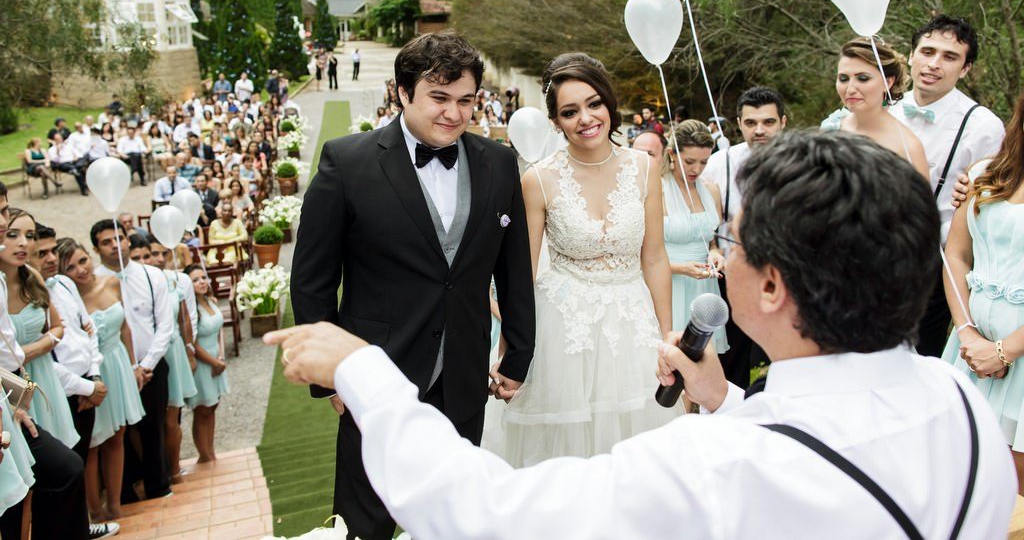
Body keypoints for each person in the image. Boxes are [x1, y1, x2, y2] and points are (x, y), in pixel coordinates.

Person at [267, 130, 1017, 540]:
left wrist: (366, 371)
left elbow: (485, 513)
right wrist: (726, 402)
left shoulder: (710, 468)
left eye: (735, 243)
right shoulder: (957, 400)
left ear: (770, 285)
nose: (720, 256)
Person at [291, 31, 535, 540]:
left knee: (457, 516)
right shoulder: (347, 162)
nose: (454, 113)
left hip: (465, 377)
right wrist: (333, 376)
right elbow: (312, 282)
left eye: (466, 100)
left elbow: (513, 272)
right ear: (403, 93)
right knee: (365, 523)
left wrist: (517, 357)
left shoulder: (498, 163)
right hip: (374, 376)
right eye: (439, 98)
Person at [493, 52, 677, 467]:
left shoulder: (644, 169)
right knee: (565, 456)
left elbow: (655, 258)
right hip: (563, 332)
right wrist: (509, 354)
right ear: (556, 122)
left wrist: (668, 338)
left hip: (633, 325)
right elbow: (520, 276)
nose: (586, 118)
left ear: (609, 103)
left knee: (640, 452)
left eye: (594, 104)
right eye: (570, 111)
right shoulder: (537, 180)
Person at [890, 15, 1005, 357]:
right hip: (870, 256)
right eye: (927, 51)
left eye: (949, 57)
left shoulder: (983, 126)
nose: (934, 64)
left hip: (933, 269)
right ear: (911, 56)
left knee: (916, 362)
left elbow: (990, 208)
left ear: (966, 69)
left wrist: (974, 197)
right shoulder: (881, 111)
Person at [942, 88, 1024, 492]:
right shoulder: (984, 175)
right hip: (970, 350)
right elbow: (956, 255)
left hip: (1018, 358)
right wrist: (967, 333)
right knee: (965, 471)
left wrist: (1006, 349)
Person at [702, 86, 787, 387]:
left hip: (781, 276)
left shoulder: (799, 162)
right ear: (739, 124)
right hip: (732, 272)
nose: (759, 130)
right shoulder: (719, 162)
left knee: (776, 359)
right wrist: (713, 248)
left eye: (768, 122)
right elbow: (704, 220)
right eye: (751, 123)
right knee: (733, 359)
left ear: (783, 122)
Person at [57, 238, 144, 522]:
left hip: (118, 362)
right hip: (94, 370)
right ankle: (95, 509)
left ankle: (116, 504)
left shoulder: (112, 283)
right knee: (93, 442)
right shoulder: (68, 300)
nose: (81, 269)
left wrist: (134, 365)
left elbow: (127, 328)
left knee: (118, 434)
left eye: (82, 260)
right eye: (70, 267)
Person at [91, 219, 174, 501]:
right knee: (119, 433)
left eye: (120, 238)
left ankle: (158, 485)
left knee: (154, 427)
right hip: (114, 369)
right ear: (96, 248)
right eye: (106, 241)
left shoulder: (152, 275)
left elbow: (165, 324)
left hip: (151, 363)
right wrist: (127, 369)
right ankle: (124, 491)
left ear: (129, 240)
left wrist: (146, 364)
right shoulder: (92, 282)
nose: (115, 245)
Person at [2, 209, 80, 450]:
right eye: (13, 234)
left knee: (63, 450)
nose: (24, 243)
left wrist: (28, 350)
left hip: (42, 375)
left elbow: (57, 327)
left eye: (30, 235)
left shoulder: (32, 276)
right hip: (10, 381)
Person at [31, 225, 105, 465]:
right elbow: (43, 359)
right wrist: (86, 388)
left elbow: (88, 330)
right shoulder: (28, 300)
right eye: (42, 254)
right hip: (61, 392)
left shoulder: (63, 282)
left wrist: (93, 377)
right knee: (67, 466)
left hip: (87, 383)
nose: (53, 258)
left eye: (53, 251)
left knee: (84, 457)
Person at [821, 38, 929, 178]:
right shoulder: (832, 126)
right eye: (843, 79)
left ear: (887, 82)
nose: (850, 89)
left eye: (863, 78)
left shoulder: (908, 146)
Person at [662, 121, 728, 351]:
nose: (696, 170)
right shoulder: (655, 190)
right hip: (670, 284)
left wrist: (715, 252)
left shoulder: (710, 190)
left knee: (701, 359)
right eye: (689, 162)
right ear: (672, 154)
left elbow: (710, 238)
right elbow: (642, 254)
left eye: (704, 162)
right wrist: (682, 269)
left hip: (704, 288)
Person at [145, 238, 197, 484]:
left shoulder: (176, 280)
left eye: (160, 253)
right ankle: (158, 468)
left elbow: (186, 319)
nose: (156, 258)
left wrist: (189, 350)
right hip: (151, 350)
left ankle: (174, 467)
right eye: (150, 254)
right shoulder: (140, 281)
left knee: (173, 414)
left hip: (174, 346)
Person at [185, 265, 228, 463]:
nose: (201, 282)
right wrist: (213, 363)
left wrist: (220, 357)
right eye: (195, 280)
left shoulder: (210, 301)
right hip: (203, 361)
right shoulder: (190, 309)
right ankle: (204, 455)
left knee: (213, 406)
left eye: (203, 277)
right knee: (202, 409)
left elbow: (219, 330)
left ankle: (211, 450)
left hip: (216, 356)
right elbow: (192, 342)